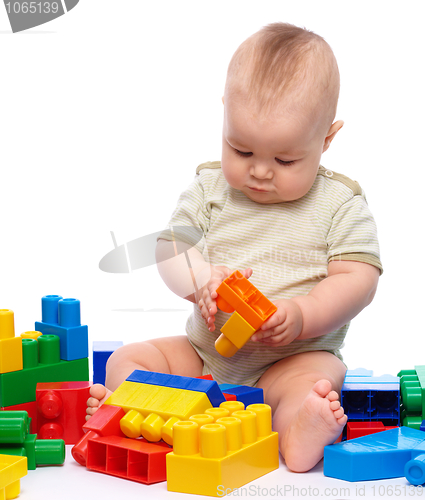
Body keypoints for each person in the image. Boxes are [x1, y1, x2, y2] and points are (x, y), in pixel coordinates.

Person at [87, 22, 382, 473]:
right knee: (131, 359)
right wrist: (201, 280)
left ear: (326, 139)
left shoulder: (340, 203)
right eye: (240, 149)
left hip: (289, 360)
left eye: (285, 159)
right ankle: (165, 412)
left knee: (316, 381)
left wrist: (302, 315)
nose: (260, 171)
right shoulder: (209, 187)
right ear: (224, 115)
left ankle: (300, 432)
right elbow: (170, 248)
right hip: (205, 356)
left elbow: (357, 280)